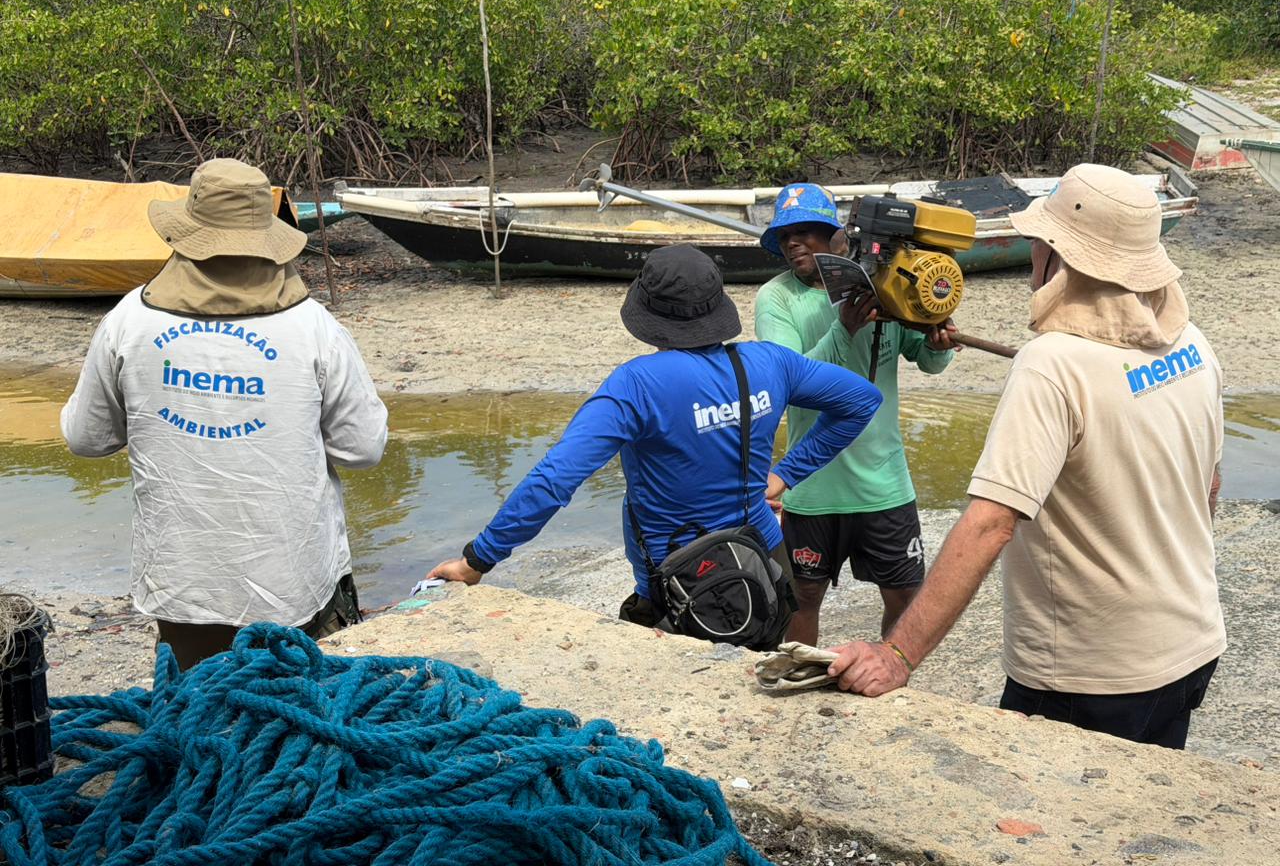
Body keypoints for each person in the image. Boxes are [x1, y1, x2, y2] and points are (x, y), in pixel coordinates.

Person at [827, 164, 1225, 750]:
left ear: (1054, 253)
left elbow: (990, 524)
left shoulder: (1051, 363)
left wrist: (896, 655)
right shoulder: (1191, 343)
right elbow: (1209, 486)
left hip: (1090, 673)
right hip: (1191, 645)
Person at [428, 244, 884, 633]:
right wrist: (785, 474)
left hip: (678, 581)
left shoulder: (636, 385)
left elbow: (556, 478)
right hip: (765, 559)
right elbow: (862, 400)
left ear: (648, 315)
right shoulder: (771, 363)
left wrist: (477, 560)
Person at [61, 158, 387, 670]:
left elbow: (86, 438)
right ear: (268, 240)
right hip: (293, 583)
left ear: (185, 235)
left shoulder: (128, 321)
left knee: (194, 718)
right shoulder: (314, 328)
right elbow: (363, 450)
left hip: (182, 582)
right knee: (292, 723)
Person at [754, 183, 955, 644]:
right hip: (810, 486)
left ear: (837, 237)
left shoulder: (883, 287)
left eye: (808, 231)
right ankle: (796, 681)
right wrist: (843, 328)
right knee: (802, 598)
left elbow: (925, 359)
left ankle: (890, 681)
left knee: (905, 597)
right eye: (786, 236)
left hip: (884, 484)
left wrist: (938, 341)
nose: (794, 243)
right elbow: (790, 384)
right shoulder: (777, 298)